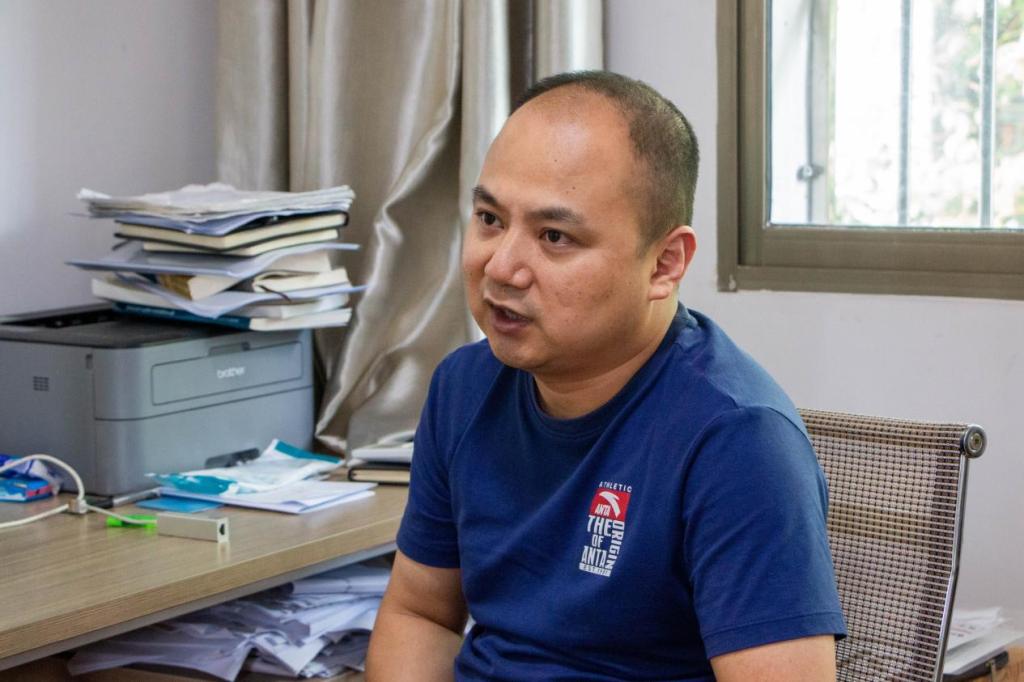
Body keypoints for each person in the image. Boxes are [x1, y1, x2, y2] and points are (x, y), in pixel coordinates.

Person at [366, 70, 846, 681]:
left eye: (554, 236)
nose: (502, 266)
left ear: (664, 264)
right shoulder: (463, 387)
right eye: (490, 219)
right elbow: (421, 613)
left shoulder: (738, 440)